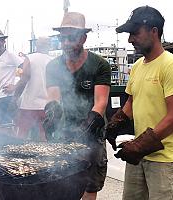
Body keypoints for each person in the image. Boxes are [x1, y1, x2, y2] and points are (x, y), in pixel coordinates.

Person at [104, 6, 173, 200]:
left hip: (165, 159)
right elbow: (131, 103)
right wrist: (114, 124)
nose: (130, 39)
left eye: (135, 33)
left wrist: (139, 145)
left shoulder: (170, 65)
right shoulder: (136, 66)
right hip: (139, 157)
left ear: (154, 31)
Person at [44, 12, 111, 200]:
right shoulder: (53, 67)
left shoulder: (100, 64)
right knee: (63, 180)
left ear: (83, 37)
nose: (65, 43)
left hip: (92, 131)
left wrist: (88, 125)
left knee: (90, 185)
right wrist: (52, 114)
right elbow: (54, 97)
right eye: (62, 38)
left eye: (71, 38)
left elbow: (101, 101)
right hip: (64, 132)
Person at [13, 37, 52, 141]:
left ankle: (17, 155)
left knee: (22, 135)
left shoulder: (30, 58)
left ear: (36, 45)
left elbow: (24, 78)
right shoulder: (53, 61)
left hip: (28, 104)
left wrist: (15, 96)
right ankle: (47, 157)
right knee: (43, 135)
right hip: (46, 105)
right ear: (49, 46)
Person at [0, 29, 23, 126]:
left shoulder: (11, 55)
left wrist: (15, 86)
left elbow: (26, 68)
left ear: (4, 41)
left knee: (5, 126)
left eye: (1, 40)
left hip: (7, 96)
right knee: (4, 125)